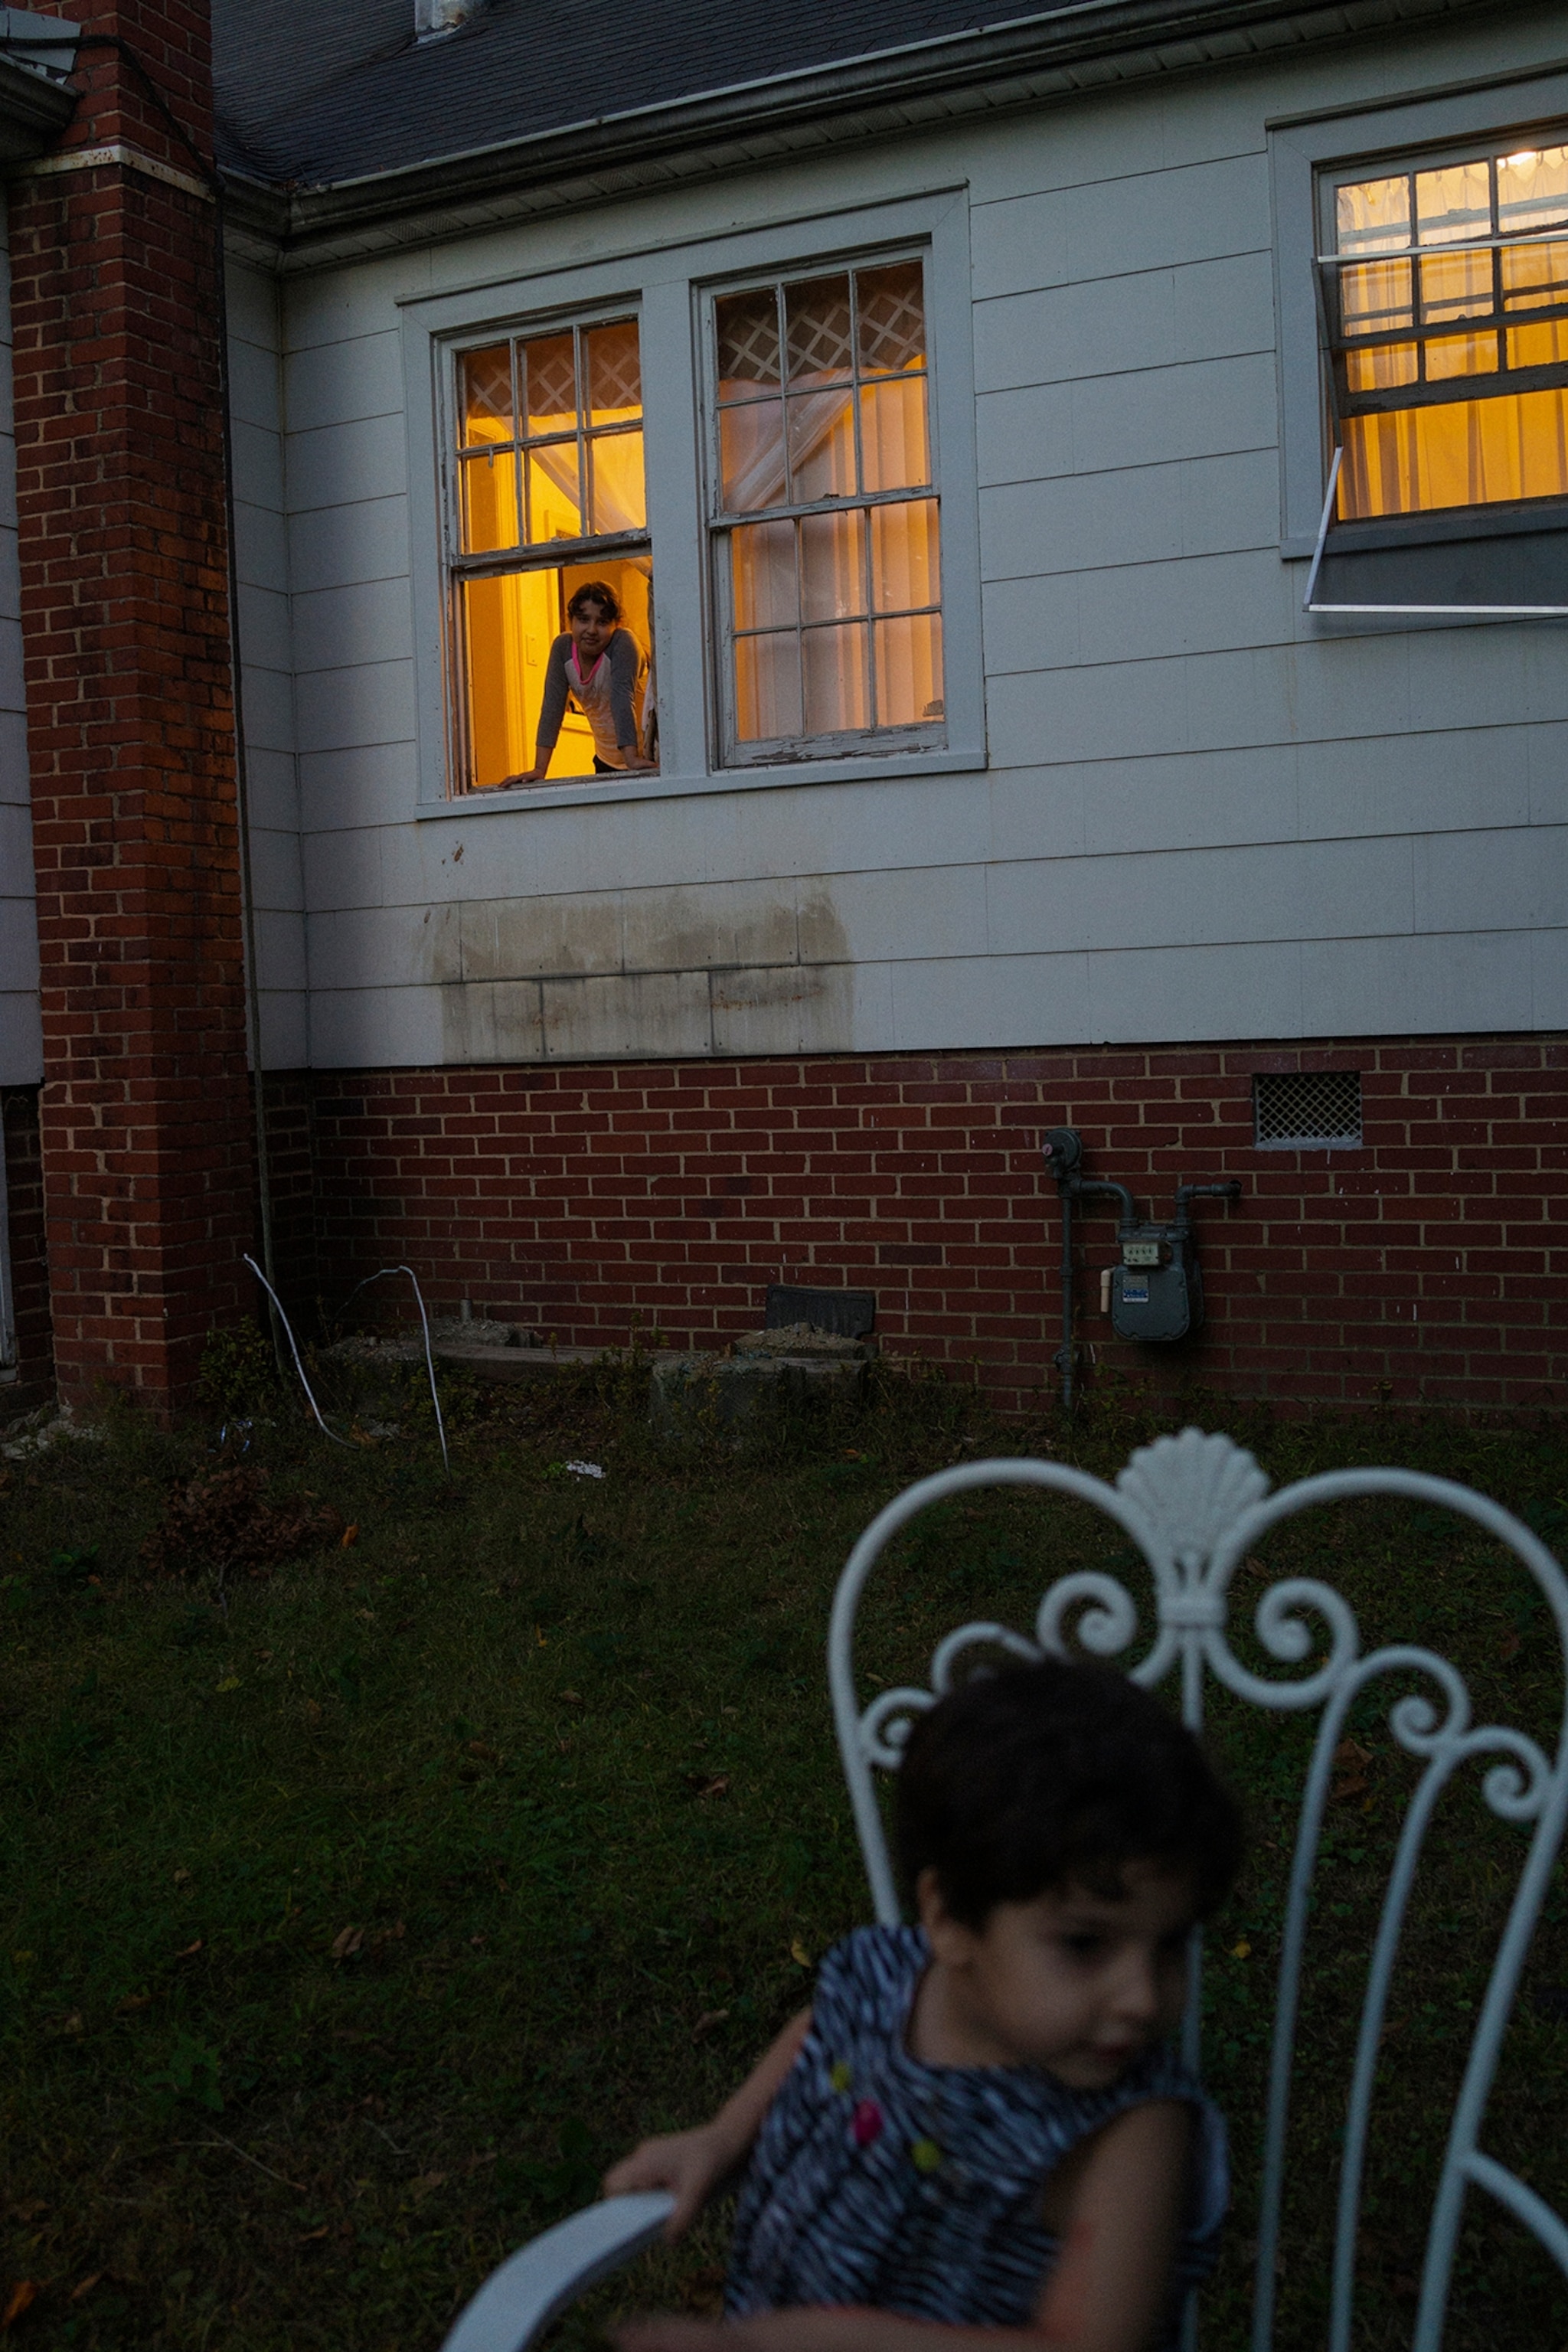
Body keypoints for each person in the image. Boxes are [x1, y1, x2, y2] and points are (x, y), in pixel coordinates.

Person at [604, 1658, 1243, 2352]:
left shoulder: (1130, 2130)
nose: (1144, 1998)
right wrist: (725, 2138)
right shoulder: (883, 1977)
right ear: (948, 1920)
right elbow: (819, 2036)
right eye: (1086, 1944)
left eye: (1170, 1944)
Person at [505, 581, 655, 784]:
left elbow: (622, 699)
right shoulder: (563, 648)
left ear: (617, 624)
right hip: (606, 759)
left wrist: (632, 760)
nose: (592, 630)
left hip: (645, 756)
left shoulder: (623, 643)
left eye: (602, 622)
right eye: (584, 620)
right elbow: (552, 709)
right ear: (571, 621)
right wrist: (540, 769)